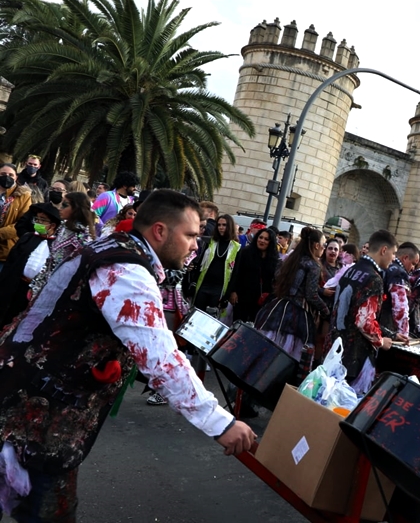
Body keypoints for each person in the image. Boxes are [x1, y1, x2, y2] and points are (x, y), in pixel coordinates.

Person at [0, 189, 255, 522]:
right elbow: (161, 359)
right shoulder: (126, 270)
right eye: (191, 235)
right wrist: (219, 422)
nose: (196, 245)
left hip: (31, 400)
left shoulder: (114, 251)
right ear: (160, 231)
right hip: (36, 411)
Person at [331, 230, 397, 394]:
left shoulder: (351, 270)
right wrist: (381, 342)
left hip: (335, 345)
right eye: (394, 253)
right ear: (384, 250)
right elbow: (364, 322)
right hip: (354, 354)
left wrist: (392, 334)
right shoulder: (373, 278)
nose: (394, 258)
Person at [255, 227, 330, 361]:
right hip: (298, 315)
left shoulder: (292, 258)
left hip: (278, 307)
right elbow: (311, 295)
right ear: (316, 245)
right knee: (287, 359)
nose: (324, 248)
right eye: (324, 245)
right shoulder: (313, 265)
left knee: (266, 354)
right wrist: (326, 310)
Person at [0, 203, 61, 327]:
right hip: (15, 286)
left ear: (53, 225)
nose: (38, 223)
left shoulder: (57, 246)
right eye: (37, 219)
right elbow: (11, 263)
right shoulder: (28, 238)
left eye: (42, 220)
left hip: (34, 292)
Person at [29, 192, 97, 299]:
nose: (60, 208)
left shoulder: (83, 236)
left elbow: (80, 269)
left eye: (65, 205)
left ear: (76, 209)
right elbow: (51, 260)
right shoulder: (63, 227)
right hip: (46, 284)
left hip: (61, 290)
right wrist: (37, 285)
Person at [192, 215, 241, 320]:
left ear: (230, 227)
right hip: (203, 284)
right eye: (219, 225)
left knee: (211, 319)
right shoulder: (210, 242)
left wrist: (228, 294)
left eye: (224, 225)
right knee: (196, 316)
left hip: (220, 288)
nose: (221, 227)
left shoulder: (236, 247)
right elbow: (200, 263)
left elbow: (236, 272)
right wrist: (193, 281)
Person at [227, 227, 281, 323]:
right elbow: (236, 272)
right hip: (242, 297)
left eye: (266, 239)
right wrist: (233, 291)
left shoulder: (275, 259)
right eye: (260, 237)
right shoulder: (245, 252)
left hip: (261, 301)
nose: (262, 241)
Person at [378, 241, 419, 342]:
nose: (413, 268)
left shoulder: (384, 266)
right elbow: (400, 308)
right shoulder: (399, 273)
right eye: (413, 263)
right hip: (384, 327)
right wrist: (404, 334)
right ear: (405, 258)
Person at [0, 163, 33, 272]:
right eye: (3, 174)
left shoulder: (23, 196)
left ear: (16, 177)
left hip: (5, 249)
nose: (7, 177)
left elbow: (22, 223)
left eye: (11, 175)